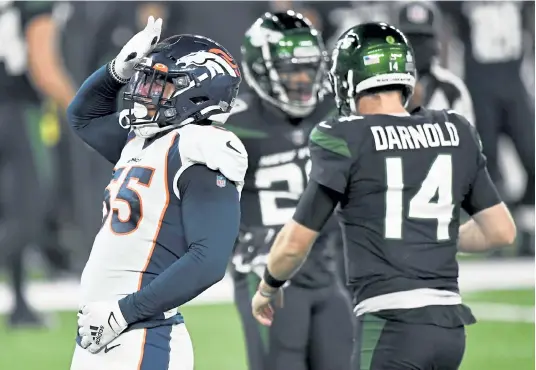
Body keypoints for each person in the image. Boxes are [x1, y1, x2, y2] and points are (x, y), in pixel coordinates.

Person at [251, 23, 517, 370]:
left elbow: (294, 244)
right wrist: (429, 236)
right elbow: (501, 231)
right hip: (450, 327)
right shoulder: (456, 129)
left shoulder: (346, 136)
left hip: (390, 322)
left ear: (349, 79)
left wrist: (268, 287)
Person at [66, 17, 247, 370]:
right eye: (146, 80)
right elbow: (82, 117)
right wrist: (117, 70)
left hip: (142, 335)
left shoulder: (202, 146)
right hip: (98, 334)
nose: (145, 92)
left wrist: (122, 313)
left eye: (161, 84)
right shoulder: (143, 139)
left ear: (197, 93)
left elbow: (209, 260)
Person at [225, 10, 353, 370]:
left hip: (326, 270)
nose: (301, 79)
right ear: (261, 70)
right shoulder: (233, 125)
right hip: (265, 274)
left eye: (308, 68)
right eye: (290, 69)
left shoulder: (333, 111)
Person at [0, 0, 74, 328]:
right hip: (17, 113)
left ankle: (20, 304)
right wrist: (83, 106)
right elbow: (43, 67)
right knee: (27, 210)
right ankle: (19, 306)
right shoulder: (36, 4)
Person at [394, 1, 475, 123]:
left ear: (435, 43)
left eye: (423, 39)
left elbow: (468, 139)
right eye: (410, 39)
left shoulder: (452, 89)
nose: (416, 47)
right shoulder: (379, 88)